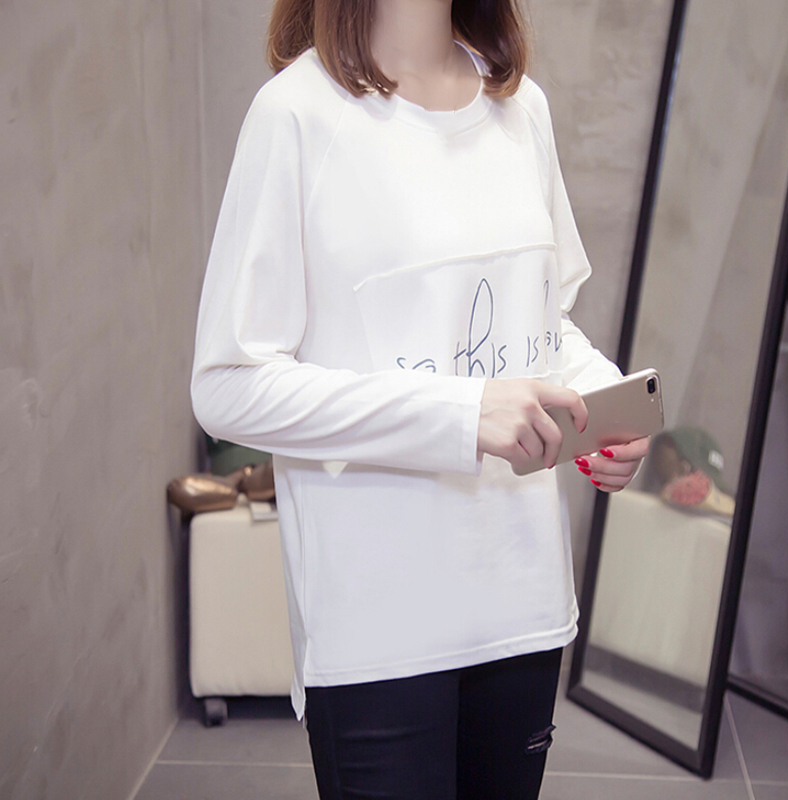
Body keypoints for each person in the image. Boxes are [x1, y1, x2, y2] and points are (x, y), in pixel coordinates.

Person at [190, 0, 650, 796]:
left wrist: (601, 401)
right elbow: (228, 385)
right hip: (379, 630)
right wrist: (460, 416)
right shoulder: (295, 116)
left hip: (523, 608)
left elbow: (544, 321)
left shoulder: (521, 107)